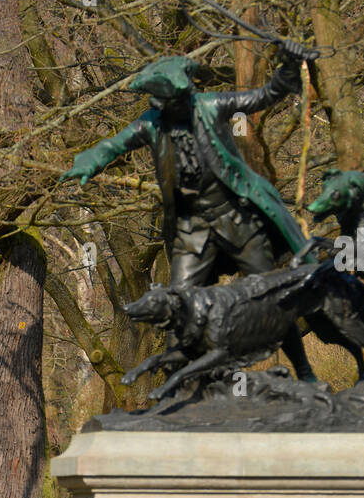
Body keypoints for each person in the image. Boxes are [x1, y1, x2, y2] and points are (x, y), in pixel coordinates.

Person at [61, 41, 319, 380]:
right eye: (167, 104)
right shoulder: (152, 124)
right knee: (178, 304)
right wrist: (89, 161)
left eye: (179, 101)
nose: (174, 108)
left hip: (237, 222)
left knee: (271, 295)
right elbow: (113, 144)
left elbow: (267, 94)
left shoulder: (214, 106)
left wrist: (290, 63)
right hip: (191, 231)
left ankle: (304, 371)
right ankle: (179, 387)